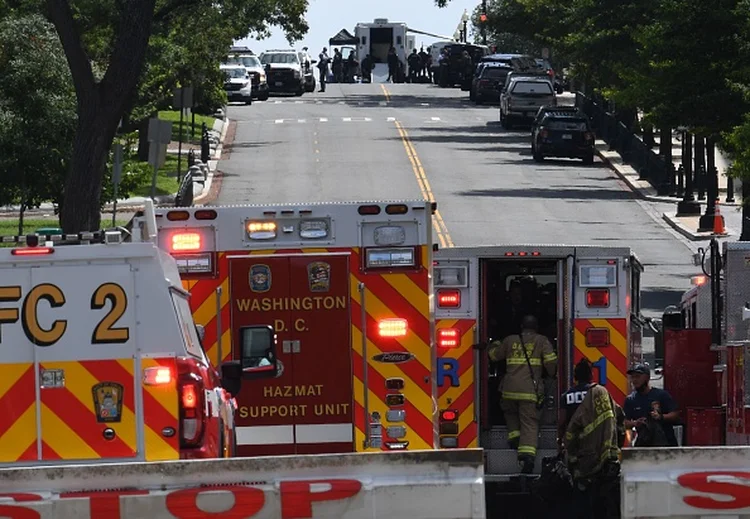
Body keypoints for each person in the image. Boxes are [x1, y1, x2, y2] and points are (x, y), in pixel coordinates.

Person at [485, 315, 557, 473]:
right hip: (529, 391)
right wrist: (551, 375)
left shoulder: (510, 340)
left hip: (509, 390)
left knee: (510, 412)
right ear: (536, 327)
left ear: (521, 327)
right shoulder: (542, 341)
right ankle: (527, 458)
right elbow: (551, 364)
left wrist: (494, 343)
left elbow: (493, 355)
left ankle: (515, 437)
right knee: (529, 423)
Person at [563, 359, 622, 519]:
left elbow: (563, 424)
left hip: (580, 455)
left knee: (581, 496)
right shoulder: (601, 393)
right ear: (591, 375)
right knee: (603, 498)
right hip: (602, 453)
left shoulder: (567, 397)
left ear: (575, 377)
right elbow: (617, 416)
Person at [623, 363, 680, 446]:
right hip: (644, 446)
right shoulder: (631, 400)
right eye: (632, 377)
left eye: (638, 376)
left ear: (647, 378)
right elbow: (624, 422)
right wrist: (635, 423)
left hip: (666, 446)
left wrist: (661, 417)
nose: (634, 380)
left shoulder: (661, 395)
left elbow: (675, 414)